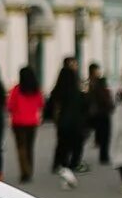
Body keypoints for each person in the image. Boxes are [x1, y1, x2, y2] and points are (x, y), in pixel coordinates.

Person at [47, 58, 87, 189]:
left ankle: (61, 166)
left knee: (62, 145)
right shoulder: (77, 90)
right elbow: (84, 105)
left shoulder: (59, 89)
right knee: (76, 145)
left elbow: (52, 103)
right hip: (76, 122)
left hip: (62, 121)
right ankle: (71, 167)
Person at [7, 65, 44, 183]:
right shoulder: (36, 90)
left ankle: (24, 171)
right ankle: (30, 169)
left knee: (21, 147)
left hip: (18, 122)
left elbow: (10, 106)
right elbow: (40, 104)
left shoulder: (17, 89)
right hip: (32, 122)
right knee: (30, 147)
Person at [87, 64, 114, 168]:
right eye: (97, 70)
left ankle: (104, 155)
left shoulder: (91, 83)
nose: (98, 72)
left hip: (98, 112)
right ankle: (104, 156)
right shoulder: (96, 83)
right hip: (101, 112)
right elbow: (103, 98)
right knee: (105, 135)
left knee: (103, 135)